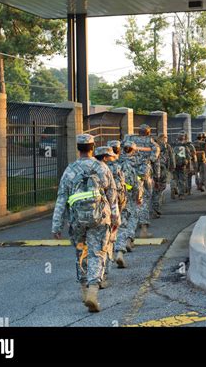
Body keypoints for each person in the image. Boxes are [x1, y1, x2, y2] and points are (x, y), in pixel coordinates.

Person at [51, 134, 120, 313]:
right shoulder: (102, 167)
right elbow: (112, 195)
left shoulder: (70, 170)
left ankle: (83, 290)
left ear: (78, 148)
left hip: (77, 220)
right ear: (92, 147)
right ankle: (92, 291)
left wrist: (56, 225)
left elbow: (61, 199)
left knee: (81, 252)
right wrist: (115, 217)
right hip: (100, 218)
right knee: (97, 253)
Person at [124, 124, 160, 239]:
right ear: (148, 132)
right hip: (143, 174)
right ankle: (143, 229)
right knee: (144, 199)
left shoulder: (129, 139)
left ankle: (128, 230)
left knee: (128, 200)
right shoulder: (152, 143)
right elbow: (155, 159)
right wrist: (157, 176)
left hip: (127, 174)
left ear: (138, 131)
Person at [95, 145, 126, 276]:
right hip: (109, 208)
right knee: (108, 238)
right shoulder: (112, 168)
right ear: (106, 157)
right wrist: (116, 212)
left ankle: (92, 275)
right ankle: (104, 272)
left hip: (91, 210)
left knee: (92, 243)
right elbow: (114, 193)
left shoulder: (90, 168)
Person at [113, 141, 143, 269]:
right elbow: (136, 183)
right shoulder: (130, 164)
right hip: (125, 197)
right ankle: (122, 248)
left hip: (106, 202)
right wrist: (139, 196)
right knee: (124, 224)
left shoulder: (102, 166)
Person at [151, 133, 175, 218]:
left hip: (150, 169)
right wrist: (172, 167)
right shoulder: (166, 146)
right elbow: (171, 157)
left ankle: (153, 208)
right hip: (162, 168)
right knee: (160, 188)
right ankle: (156, 208)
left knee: (152, 189)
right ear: (163, 138)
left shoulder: (152, 145)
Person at [171, 132, 191, 199]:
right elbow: (188, 156)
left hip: (174, 164)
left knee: (174, 178)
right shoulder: (185, 146)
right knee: (181, 180)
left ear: (177, 138)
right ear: (184, 138)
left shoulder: (173, 145)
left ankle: (173, 188)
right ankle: (181, 195)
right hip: (182, 164)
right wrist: (189, 166)